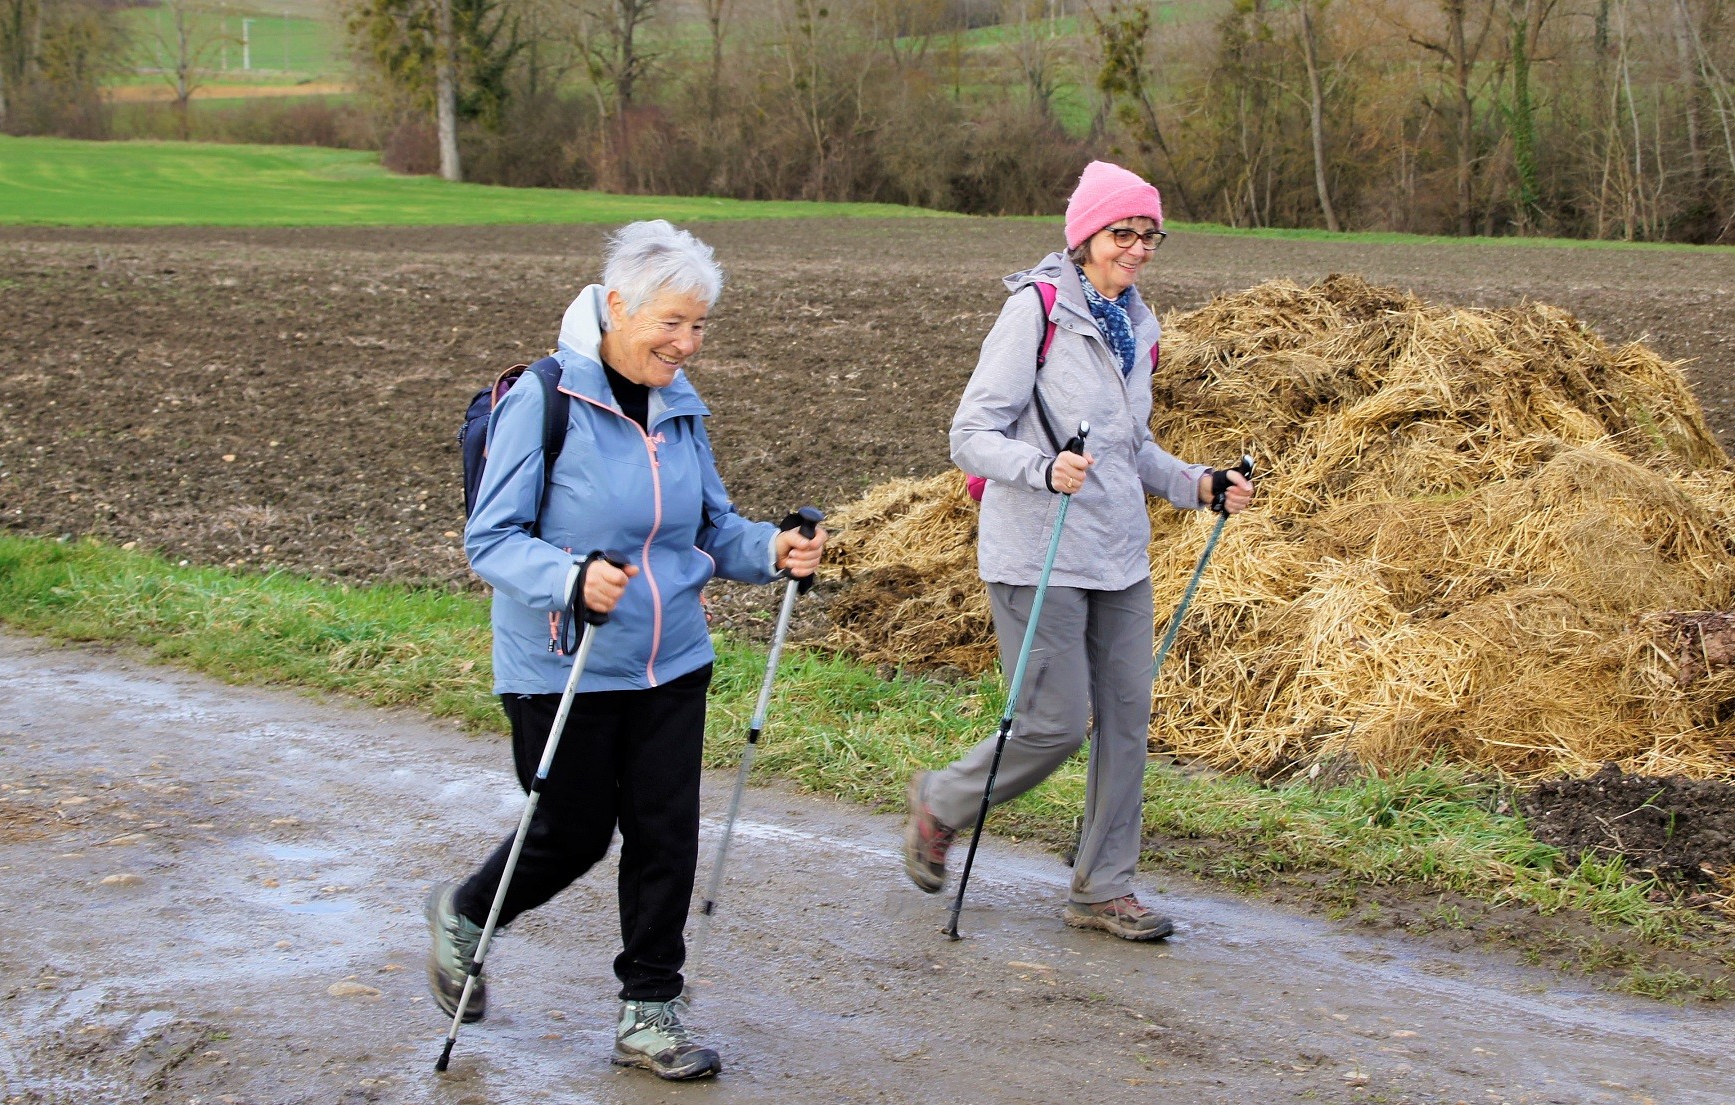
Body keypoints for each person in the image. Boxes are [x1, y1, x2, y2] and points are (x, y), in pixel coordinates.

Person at [426, 220, 826, 1080]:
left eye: (699, 326)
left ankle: (651, 1009)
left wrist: (771, 549)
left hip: (671, 658)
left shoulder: (681, 408)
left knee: (662, 833)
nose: (686, 344)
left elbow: (709, 528)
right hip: (560, 663)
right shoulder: (546, 398)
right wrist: (571, 577)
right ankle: (465, 915)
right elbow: (490, 539)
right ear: (616, 307)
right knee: (570, 834)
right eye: (671, 323)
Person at [903, 161, 1254, 941]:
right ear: (1085, 235)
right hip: (1037, 550)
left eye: (1148, 235)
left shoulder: (1142, 325)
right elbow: (970, 436)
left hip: (1118, 551)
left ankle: (1103, 888)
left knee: (1128, 718)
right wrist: (1041, 467)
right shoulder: (1038, 312)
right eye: (1121, 233)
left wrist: (1199, 484)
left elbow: (1135, 446)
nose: (1135, 248)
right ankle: (943, 801)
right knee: (1056, 723)